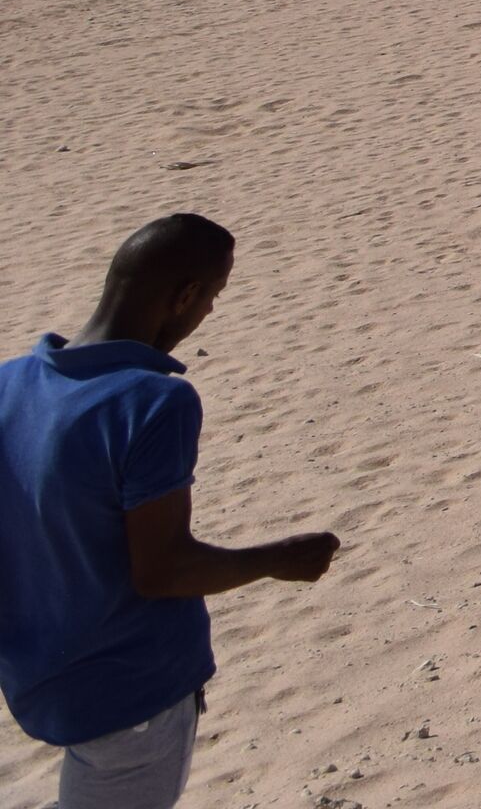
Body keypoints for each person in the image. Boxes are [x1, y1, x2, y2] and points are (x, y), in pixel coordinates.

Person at [2, 216, 337, 808]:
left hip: (37, 676)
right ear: (184, 295)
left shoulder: (11, 384)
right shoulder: (152, 400)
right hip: (130, 691)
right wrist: (274, 561)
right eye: (212, 296)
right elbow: (161, 570)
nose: (208, 311)